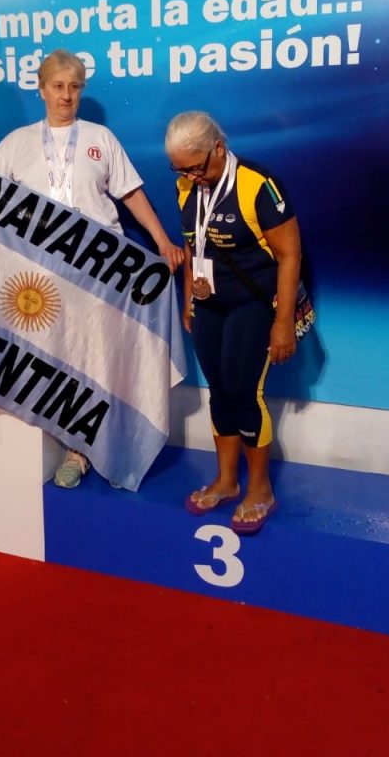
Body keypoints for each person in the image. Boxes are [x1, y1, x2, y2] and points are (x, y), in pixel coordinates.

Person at [0, 48, 184, 488]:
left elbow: (130, 194)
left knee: (98, 360)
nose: (66, 96)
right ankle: (61, 442)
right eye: (57, 86)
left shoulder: (100, 138)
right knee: (54, 360)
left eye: (74, 87)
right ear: (41, 90)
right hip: (42, 275)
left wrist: (162, 241)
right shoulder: (17, 142)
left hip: (99, 272)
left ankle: (93, 449)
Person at [165, 111, 302, 535]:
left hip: (253, 304)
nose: (190, 177)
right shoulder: (186, 186)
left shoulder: (257, 186)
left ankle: (260, 488)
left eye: (195, 167)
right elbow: (192, 244)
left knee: (244, 392)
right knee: (220, 392)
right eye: (180, 169)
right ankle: (226, 480)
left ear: (219, 149)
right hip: (209, 304)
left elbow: (290, 255)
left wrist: (282, 322)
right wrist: (189, 298)